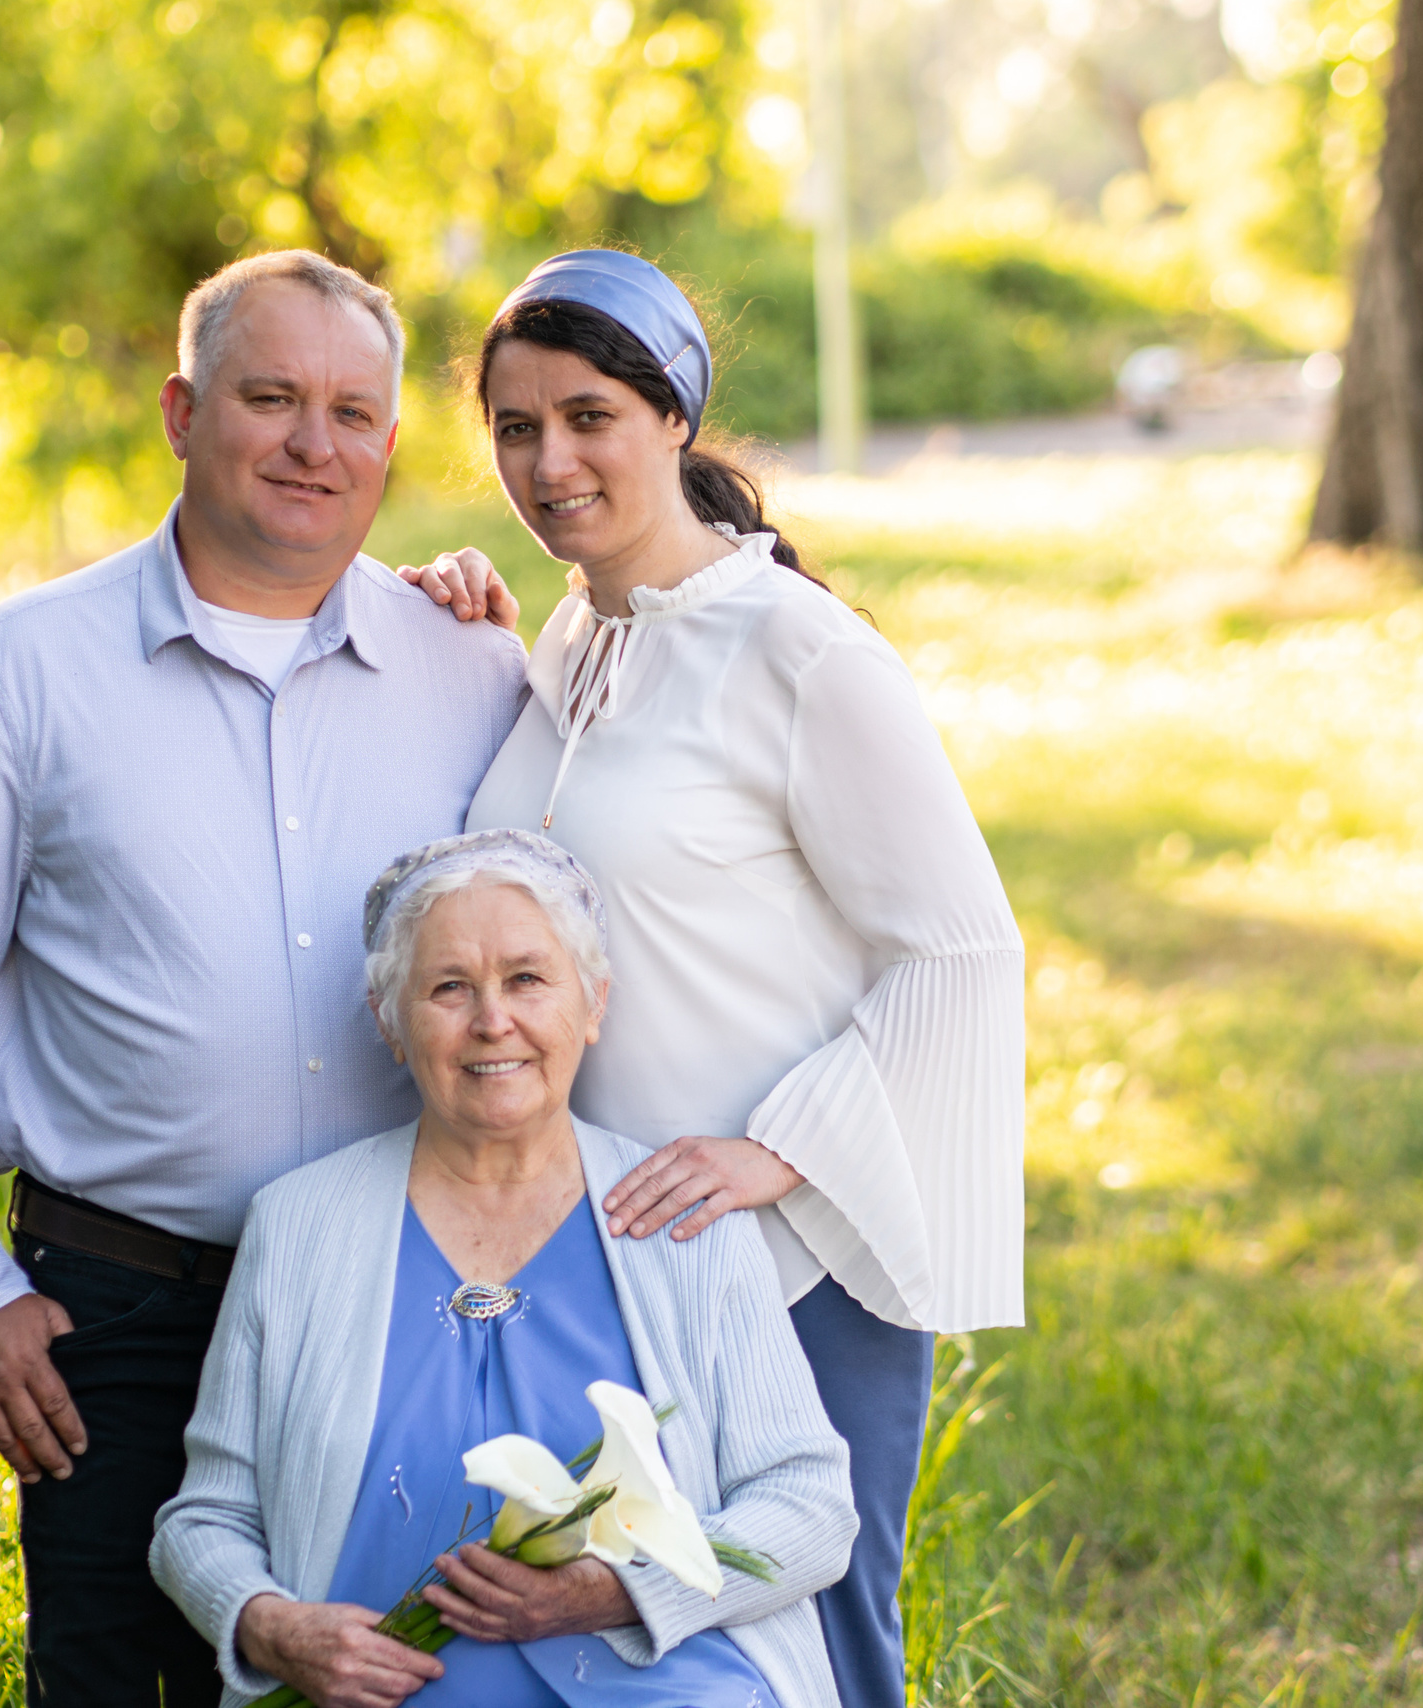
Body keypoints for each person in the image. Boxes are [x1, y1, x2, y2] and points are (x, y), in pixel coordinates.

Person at [0, 250, 526, 1708]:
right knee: (115, 1681)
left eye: (352, 412)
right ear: (181, 411)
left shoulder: (471, 669)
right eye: (269, 397)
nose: (311, 443)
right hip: (119, 1310)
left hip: (397, 1301)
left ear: (392, 447)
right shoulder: (18, 671)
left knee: (392, 1681)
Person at [438, 249, 1028, 1708]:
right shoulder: (575, 639)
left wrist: (776, 1155)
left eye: (589, 418)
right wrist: (468, 640)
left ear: (676, 420)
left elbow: (963, 951)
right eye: (516, 428)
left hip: (794, 1268)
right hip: (607, 1263)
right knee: (639, 1659)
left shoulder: (802, 653)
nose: (549, 461)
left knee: (813, 1656)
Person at [153, 829, 856, 1708]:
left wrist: (614, 1593)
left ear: (593, 1003)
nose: (494, 1021)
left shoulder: (690, 1221)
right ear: (390, 1021)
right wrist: (267, 1624)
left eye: (528, 979)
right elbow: (206, 1519)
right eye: (450, 988)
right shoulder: (299, 1225)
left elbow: (811, 1508)